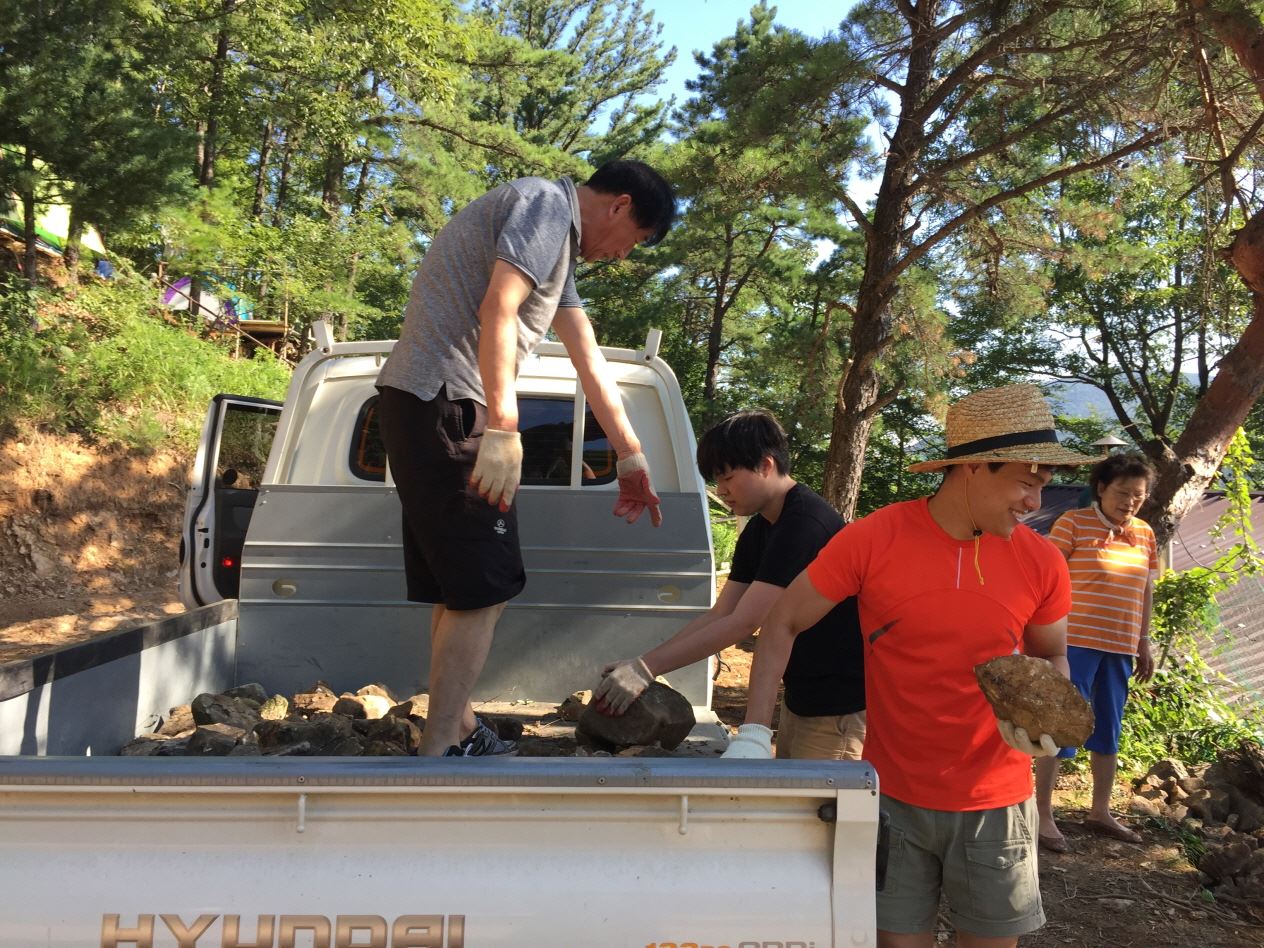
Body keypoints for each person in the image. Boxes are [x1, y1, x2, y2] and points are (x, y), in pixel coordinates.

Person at [724, 383, 1101, 948]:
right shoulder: (874, 539)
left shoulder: (1042, 561)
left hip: (996, 803)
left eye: (1042, 485)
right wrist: (756, 731)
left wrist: (1044, 716)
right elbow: (782, 621)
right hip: (892, 800)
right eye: (1027, 483)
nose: (1034, 503)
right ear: (973, 468)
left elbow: (1051, 654)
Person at [376, 160, 676, 758]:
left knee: (462, 588)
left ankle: (458, 728)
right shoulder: (545, 207)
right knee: (486, 589)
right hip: (449, 401)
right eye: (634, 240)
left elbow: (588, 358)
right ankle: (440, 750)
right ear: (619, 205)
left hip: (427, 401)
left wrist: (631, 456)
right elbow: (499, 308)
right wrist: (503, 427)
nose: (623, 255)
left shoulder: (557, 247)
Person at [594, 410, 866, 760]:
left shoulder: (805, 524)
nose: (721, 491)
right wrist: (643, 665)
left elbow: (745, 622)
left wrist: (646, 669)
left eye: (728, 478)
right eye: (716, 480)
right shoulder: (760, 529)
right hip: (803, 699)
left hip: (839, 708)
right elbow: (722, 613)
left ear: (766, 465)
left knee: (821, 797)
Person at [1034, 452, 1159, 852]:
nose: (1130, 502)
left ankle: (1100, 811)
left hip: (1120, 646)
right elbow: (1047, 579)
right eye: (1122, 492)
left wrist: (1143, 641)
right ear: (1101, 488)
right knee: (1059, 727)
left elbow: (1146, 589)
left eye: (1138, 495)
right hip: (1073, 644)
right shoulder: (1073, 523)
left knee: (1108, 728)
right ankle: (1042, 813)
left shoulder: (1144, 533)